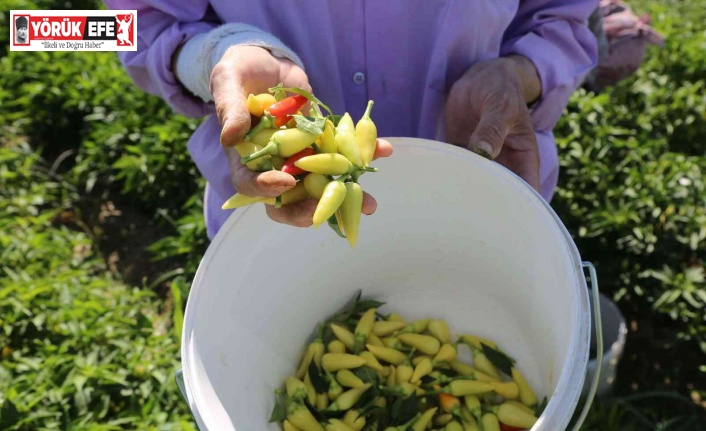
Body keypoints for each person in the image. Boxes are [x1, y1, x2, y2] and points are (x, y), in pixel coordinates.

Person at [104, 1, 598, 241]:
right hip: (278, 206)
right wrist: (216, 51)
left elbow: (559, 19)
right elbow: (134, 25)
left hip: (479, 192)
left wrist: (518, 74)